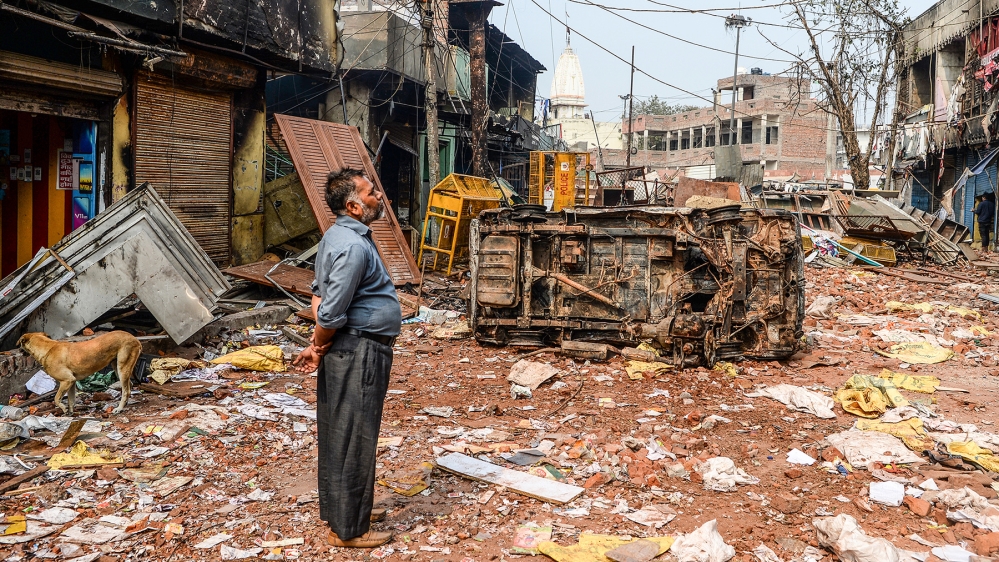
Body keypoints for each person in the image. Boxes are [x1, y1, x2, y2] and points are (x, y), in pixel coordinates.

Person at [293, 168, 401, 548]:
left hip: (351, 348)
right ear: (354, 206)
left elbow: (320, 293)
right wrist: (320, 344)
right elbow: (331, 311)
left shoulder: (336, 236)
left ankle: (346, 508)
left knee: (343, 431)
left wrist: (318, 344)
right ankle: (350, 530)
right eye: (371, 193)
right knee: (355, 435)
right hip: (359, 350)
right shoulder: (353, 246)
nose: (379, 198)